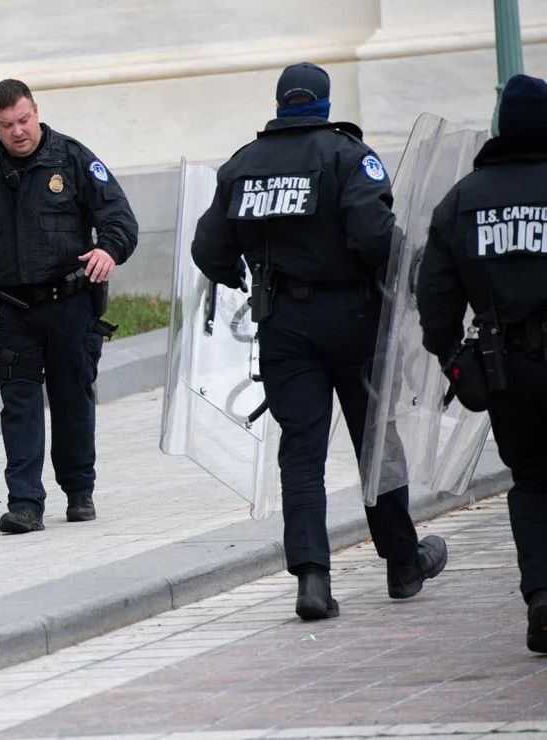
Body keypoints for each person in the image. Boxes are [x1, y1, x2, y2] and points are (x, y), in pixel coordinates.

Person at [191, 62, 446, 619]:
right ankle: (403, 565)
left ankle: (313, 579)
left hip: (283, 321)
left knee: (301, 453)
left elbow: (208, 249)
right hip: (355, 317)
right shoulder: (348, 156)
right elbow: (375, 234)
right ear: (324, 105)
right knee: (375, 443)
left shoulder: (243, 164)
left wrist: (246, 274)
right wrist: (406, 281)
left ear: (281, 104)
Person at [0, 79, 138, 534]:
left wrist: (108, 250)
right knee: (19, 405)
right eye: (7, 124)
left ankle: (78, 489)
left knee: (72, 397)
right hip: (9, 308)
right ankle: (25, 502)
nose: (18, 131)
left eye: (24, 119)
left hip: (67, 302)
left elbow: (120, 219)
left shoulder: (71, 158)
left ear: (36, 111)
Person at [417, 74, 547, 653]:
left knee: (533, 481)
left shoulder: (462, 199)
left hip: (507, 367)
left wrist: (452, 358)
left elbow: (436, 295)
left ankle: (543, 596)